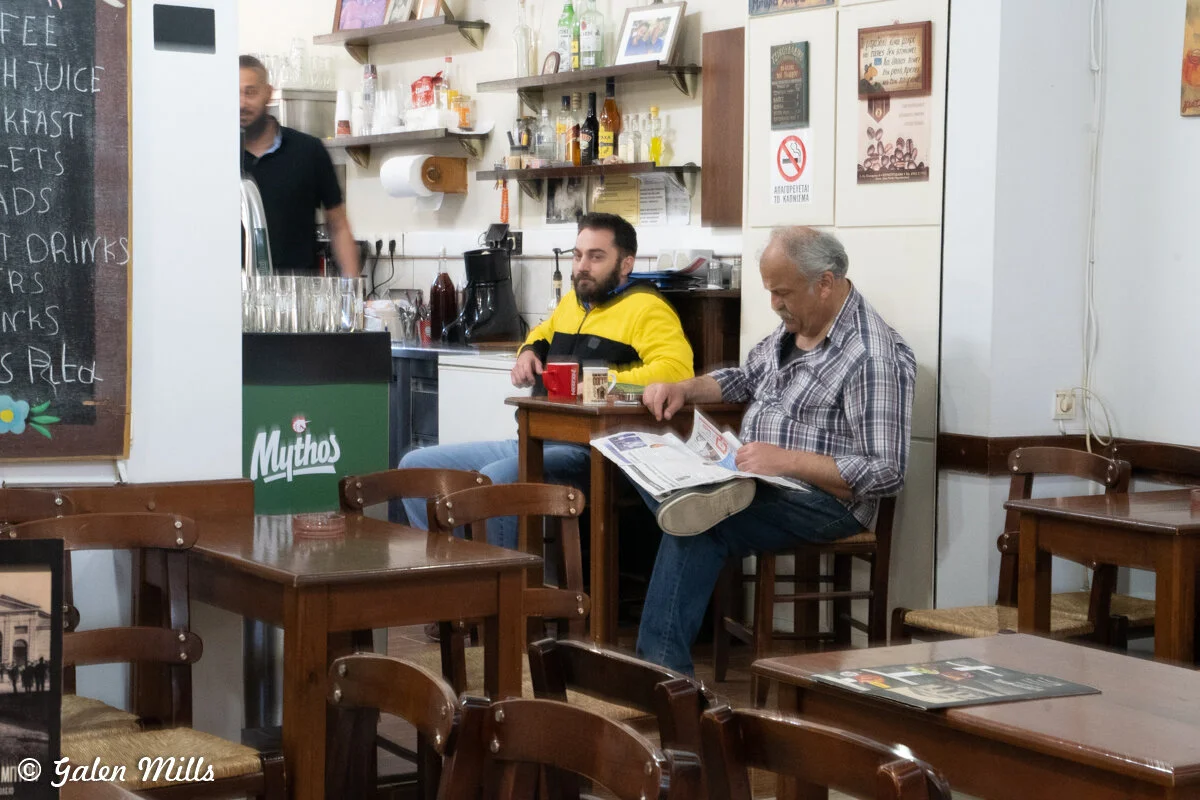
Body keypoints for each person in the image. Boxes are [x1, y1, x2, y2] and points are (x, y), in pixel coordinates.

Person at [633, 226, 915, 674]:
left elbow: (886, 471)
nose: (774, 304)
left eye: (782, 292)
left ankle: (663, 677)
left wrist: (786, 461)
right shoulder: (797, 328)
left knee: (701, 522)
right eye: (770, 291)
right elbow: (743, 377)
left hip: (827, 503)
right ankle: (662, 672)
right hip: (764, 481)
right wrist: (684, 388)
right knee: (667, 493)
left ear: (824, 283)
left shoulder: (870, 355)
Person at [400, 213, 695, 550]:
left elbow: (677, 371)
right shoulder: (573, 303)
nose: (582, 266)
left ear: (626, 263)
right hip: (535, 439)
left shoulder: (647, 308)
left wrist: (601, 384)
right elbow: (542, 332)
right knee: (417, 466)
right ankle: (453, 576)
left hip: (594, 454)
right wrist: (527, 351)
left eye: (596, 257)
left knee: (500, 479)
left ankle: (501, 592)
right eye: (577, 255)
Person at [239, 55, 360, 276]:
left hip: (297, 297)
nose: (242, 103)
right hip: (232, 296)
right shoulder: (217, 158)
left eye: (250, 92)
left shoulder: (308, 150)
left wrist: (352, 292)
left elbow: (338, 225)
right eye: (234, 93)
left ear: (268, 92)